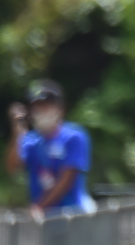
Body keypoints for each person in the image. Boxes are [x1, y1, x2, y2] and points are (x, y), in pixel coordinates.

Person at [5, 80, 96, 217]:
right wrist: (17, 133)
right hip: (45, 219)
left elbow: (66, 179)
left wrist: (39, 208)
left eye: (46, 105)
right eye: (37, 106)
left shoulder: (74, 137)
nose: (41, 110)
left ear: (60, 108)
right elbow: (12, 167)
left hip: (73, 215)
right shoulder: (30, 141)